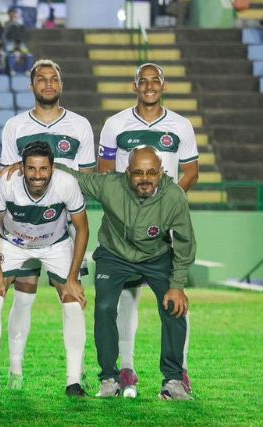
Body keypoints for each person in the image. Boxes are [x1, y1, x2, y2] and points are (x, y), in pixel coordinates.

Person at [57, 146, 195, 401]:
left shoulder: (174, 196)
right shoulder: (110, 185)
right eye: (138, 173)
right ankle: (110, 379)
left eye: (152, 172)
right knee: (105, 307)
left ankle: (173, 380)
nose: (145, 178)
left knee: (174, 306)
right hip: (114, 255)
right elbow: (76, 177)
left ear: (161, 172)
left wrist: (177, 284)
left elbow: (186, 244)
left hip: (156, 257)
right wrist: (36, 164)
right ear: (127, 172)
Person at [98, 62, 198, 397]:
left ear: (164, 86)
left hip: (163, 223)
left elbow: (192, 171)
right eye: (144, 81)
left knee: (175, 296)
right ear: (135, 86)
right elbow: (106, 172)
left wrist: (168, 207)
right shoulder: (115, 124)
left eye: (156, 81)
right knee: (126, 297)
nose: (150, 86)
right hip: (125, 225)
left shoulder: (181, 126)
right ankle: (126, 369)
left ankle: (177, 373)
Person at [0, 59, 95, 395]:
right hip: (21, 230)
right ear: (32, 85)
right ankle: (12, 371)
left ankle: (74, 378)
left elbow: (89, 178)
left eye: (54, 79)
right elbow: (6, 175)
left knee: (72, 296)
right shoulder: (14, 126)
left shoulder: (80, 125)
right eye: (42, 79)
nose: (48, 84)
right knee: (21, 298)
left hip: (59, 231)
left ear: (61, 85)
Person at [0, 141, 89, 397]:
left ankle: (74, 381)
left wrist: (73, 278)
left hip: (55, 244)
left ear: (53, 168)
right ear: (22, 167)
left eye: (43, 169)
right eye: (31, 168)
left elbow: (83, 229)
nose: (38, 175)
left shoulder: (66, 184)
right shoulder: (6, 183)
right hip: (13, 243)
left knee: (73, 301)